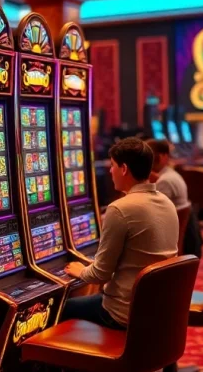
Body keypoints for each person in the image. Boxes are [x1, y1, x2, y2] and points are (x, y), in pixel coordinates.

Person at [63, 137, 179, 329]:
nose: (110, 171)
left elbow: (100, 274)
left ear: (124, 169)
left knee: (60, 309)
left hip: (122, 314)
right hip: (156, 310)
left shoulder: (120, 208)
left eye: (113, 165)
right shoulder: (166, 202)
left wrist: (80, 270)